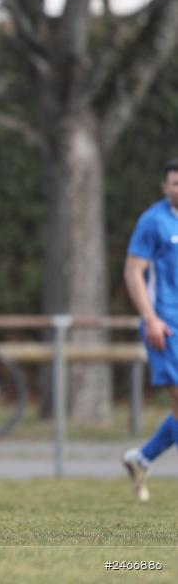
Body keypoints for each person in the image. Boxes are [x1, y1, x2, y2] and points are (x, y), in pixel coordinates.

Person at [122, 158, 178, 501]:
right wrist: (150, 318)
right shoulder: (154, 221)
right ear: (165, 187)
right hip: (167, 327)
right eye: (175, 183)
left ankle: (141, 458)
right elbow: (133, 272)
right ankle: (142, 458)